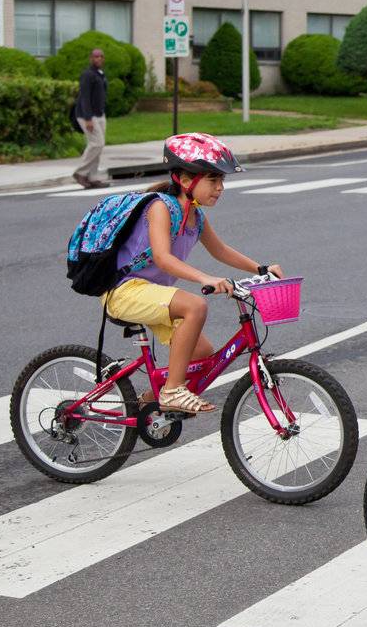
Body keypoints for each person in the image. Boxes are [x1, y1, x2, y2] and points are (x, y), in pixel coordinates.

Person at [101, 133, 283, 415]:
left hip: (154, 295)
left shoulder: (195, 216)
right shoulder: (160, 207)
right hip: (124, 290)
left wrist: (261, 268)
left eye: (222, 181)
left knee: (200, 352)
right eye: (213, 180)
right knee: (195, 305)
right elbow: (162, 258)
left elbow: (220, 249)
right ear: (185, 181)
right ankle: (173, 391)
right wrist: (205, 278)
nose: (220, 188)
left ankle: (145, 406)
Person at [72, 48, 109, 189]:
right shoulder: (87, 75)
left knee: (98, 146)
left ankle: (93, 177)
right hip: (88, 115)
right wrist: (88, 118)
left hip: (99, 115)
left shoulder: (100, 74)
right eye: (95, 56)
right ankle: (80, 172)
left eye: (100, 56)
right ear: (91, 58)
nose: (98, 59)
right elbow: (85, 97)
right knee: (97, 144)